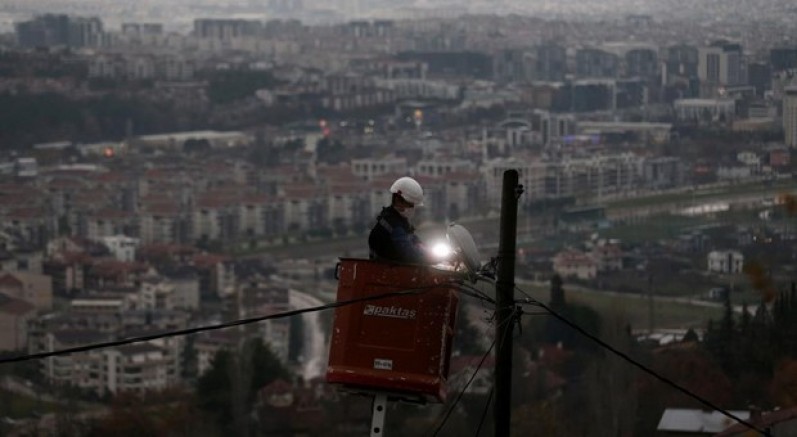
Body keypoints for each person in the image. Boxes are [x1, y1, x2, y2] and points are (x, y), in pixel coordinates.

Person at [368, 176, 433, 264]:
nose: (413, 209)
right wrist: (433, 258)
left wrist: (430, 252)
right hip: (389, 273)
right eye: (410, 205)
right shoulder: (392, 225)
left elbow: (416, 242)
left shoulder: (401, 222)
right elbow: (410, 254)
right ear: (398, 200)